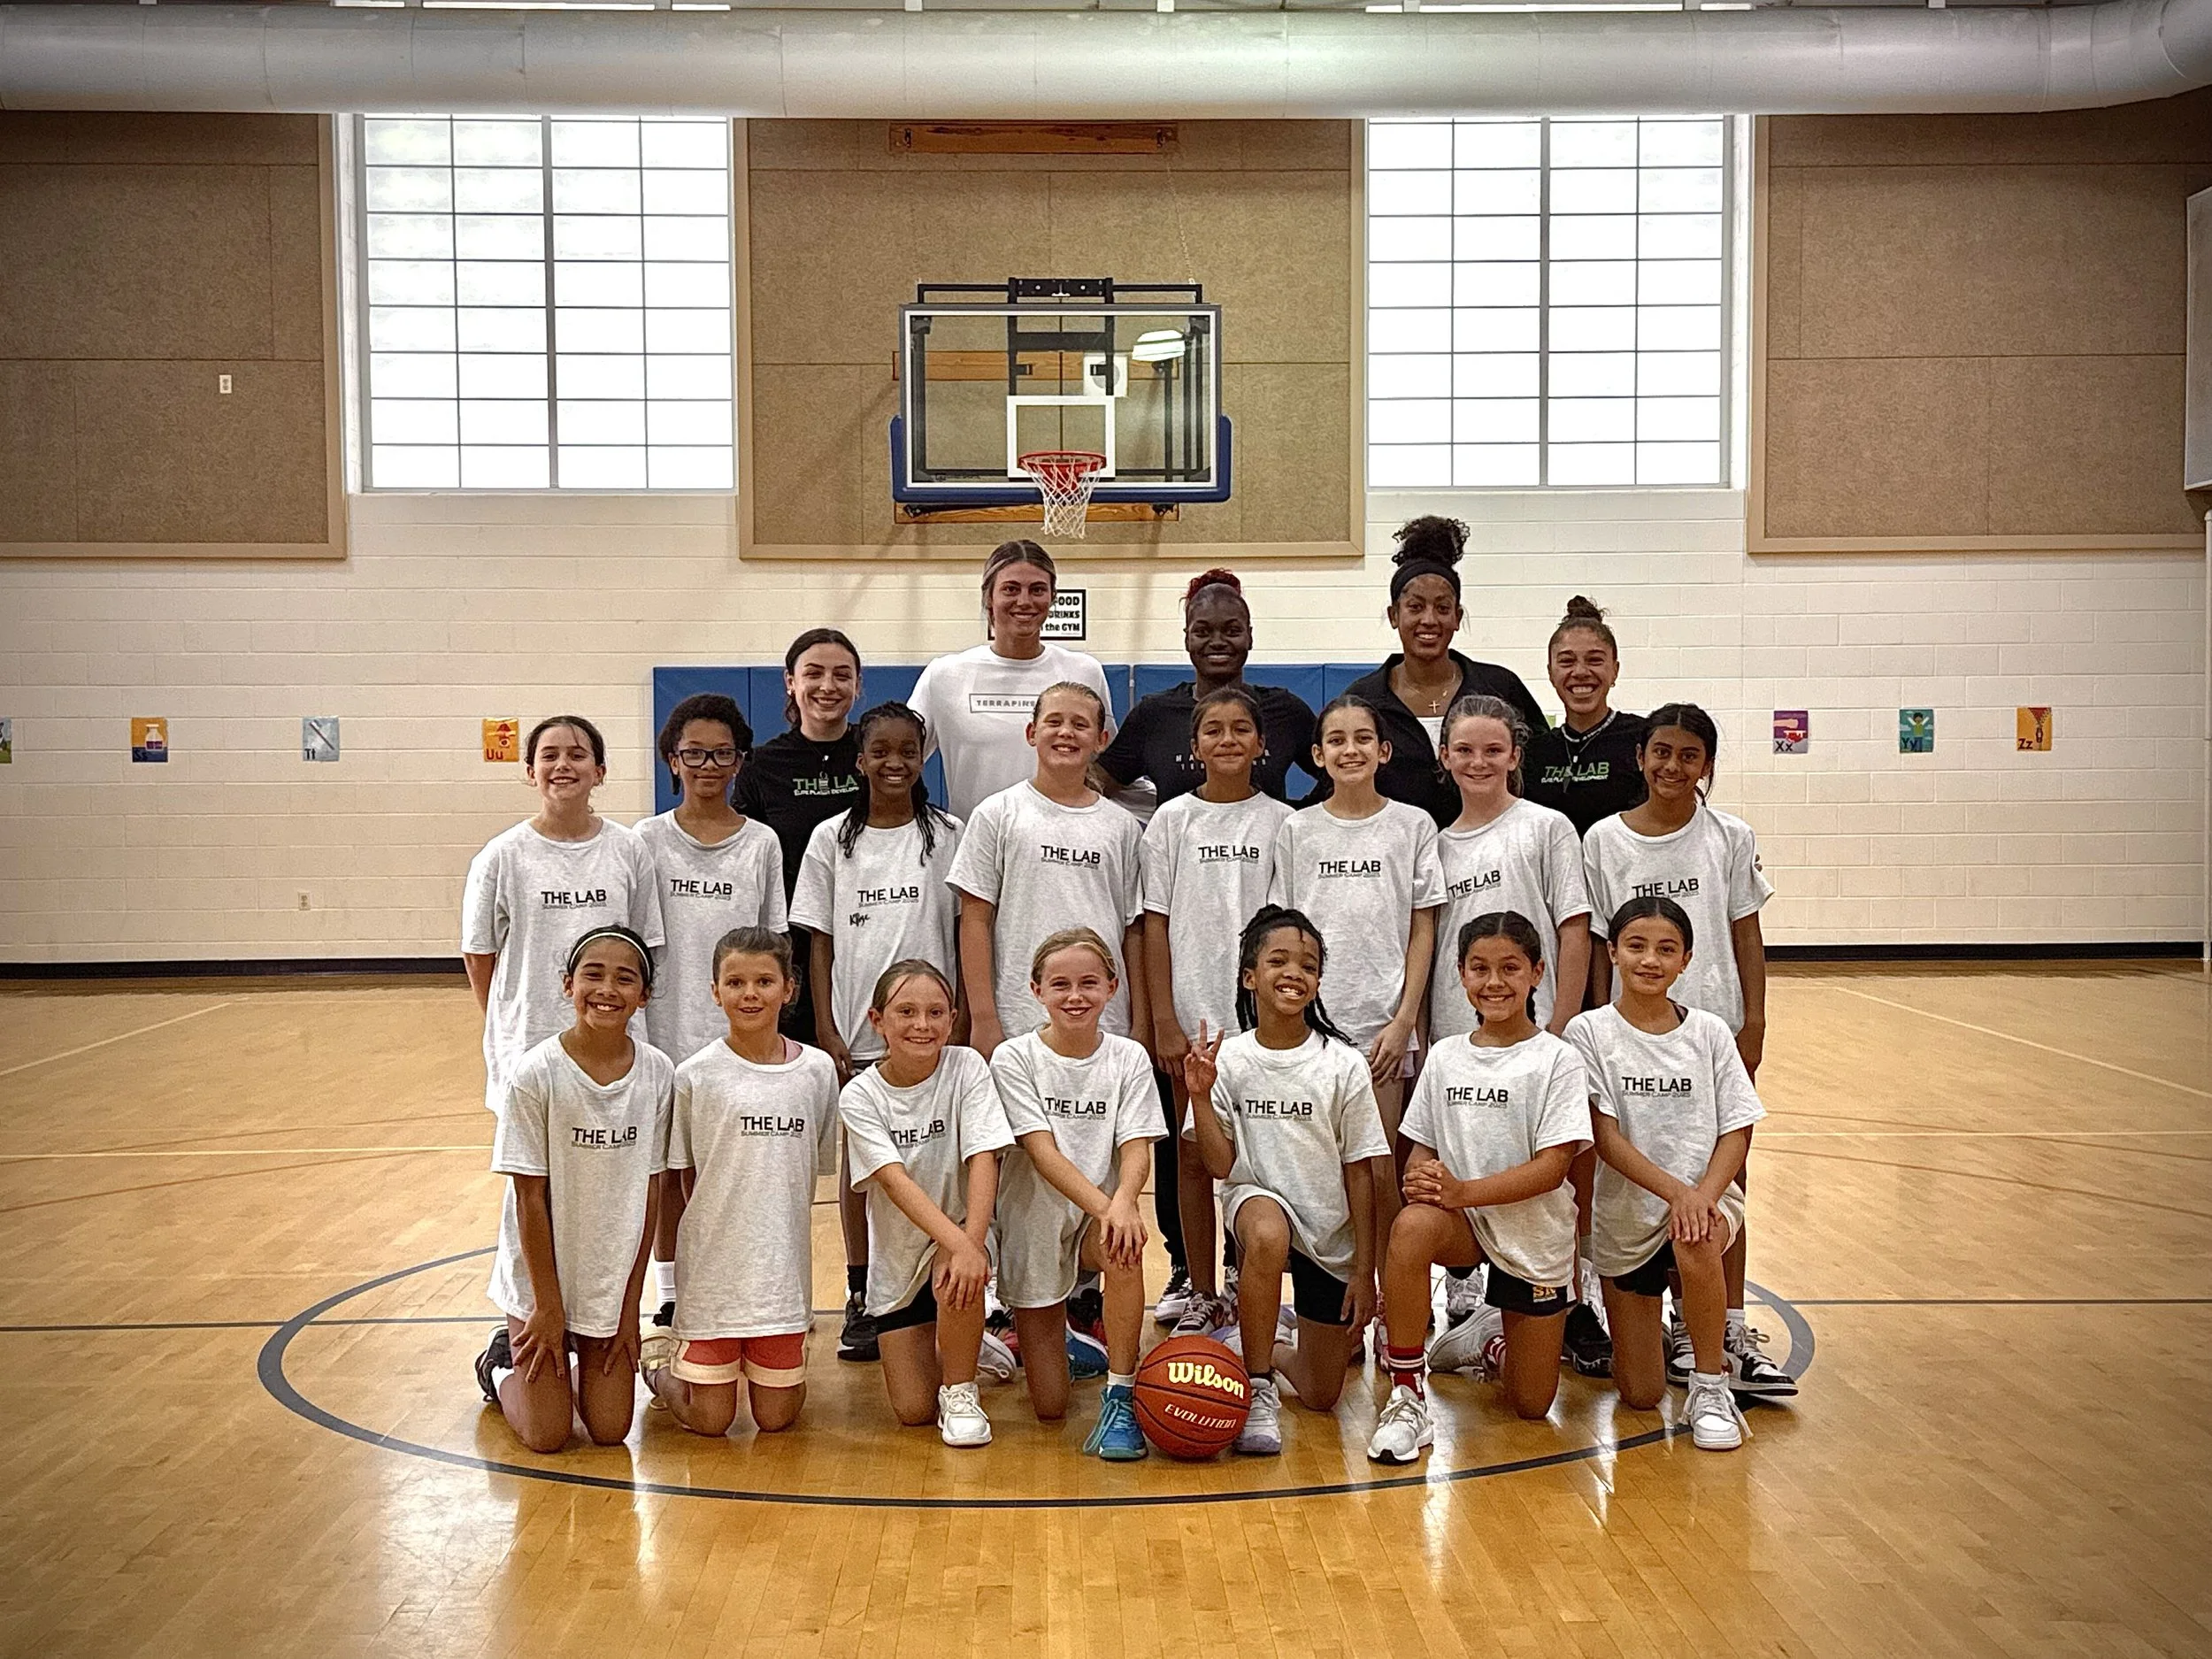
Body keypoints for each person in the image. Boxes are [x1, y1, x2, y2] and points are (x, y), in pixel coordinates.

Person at [1581, 704, 1793, 1399]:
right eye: (1662, 752)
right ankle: (1642, 1315)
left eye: (1689, 755)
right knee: (1631, 1175)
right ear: (1641, 756)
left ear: (1706, 765)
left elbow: (1747, 934)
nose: (1673, 766)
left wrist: (1753, 1020)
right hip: (1628, 1037)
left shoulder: (1728, 837)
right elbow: (1593, 944)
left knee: (1724, 1183)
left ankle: (1722, 1327)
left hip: (1711, 1031)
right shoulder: (1604, 841)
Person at [1367, 912, 1590, 1464]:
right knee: (1412, 1225)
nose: (1495, 982)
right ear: (1461, 976)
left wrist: (1463, 1190)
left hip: (1532, 1234)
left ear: (1538, 972)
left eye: (1511, 968)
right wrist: (1421, 1178)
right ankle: (1407, 1392)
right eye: (1480, 968)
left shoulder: (1557, 1060)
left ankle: (1489, 1341)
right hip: (1465, 1226)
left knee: (1531, 1405)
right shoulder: (1445, 1056)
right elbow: (1420, 1144)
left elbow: (1553, 1167)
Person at [787, 701, 964, 1366]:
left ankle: (947, 1277)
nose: (895, 762)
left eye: (908, 751)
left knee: (936, 1158)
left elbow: (961, 928)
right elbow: (820, 942)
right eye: (880, 751)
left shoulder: (949, 834)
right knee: (863, 1173)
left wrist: (964, 1010)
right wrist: (829, 1026)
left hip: (931, 1030)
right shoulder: (832, 839)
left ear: (924, 758)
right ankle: (862, 1291)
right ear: (859, 760)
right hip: (861, 1034)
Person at [1180, 907, 1388, 1456]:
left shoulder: (1342, 1063)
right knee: (1268, 1233)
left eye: (1309, 965)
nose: (1294, 972)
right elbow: (1221, 1167)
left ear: (1319, 981)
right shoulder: (1229, 1060)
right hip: (1258, 1203)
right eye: (1279, 960)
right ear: (1250, 975)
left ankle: (1265, 1341)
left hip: (1329, 1230)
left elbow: (1361, 1174)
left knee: (1322, 1394)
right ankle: (1257, 1386)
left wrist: (1366, 1272)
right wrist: (1200, 1095)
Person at [1425, 695, 1595, 1361]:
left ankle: (1562, 1299)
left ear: (1516, 756)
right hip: (1457, 1030)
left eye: (1493, 749)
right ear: (1445, 757)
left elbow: (1573, 926)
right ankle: (1474, 1302)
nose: (1478, 761)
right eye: (1464, 749)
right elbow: (1432, 942)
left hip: (1533, 1033)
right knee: (1469, 1160)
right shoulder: (1436, 844)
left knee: (1548, 1169)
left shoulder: (1547, 828)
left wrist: (1559, 1023)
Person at [1568, 896, 1763, 1452]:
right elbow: (1604, 1137)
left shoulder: (1708, 1032)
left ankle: (1710, 1384)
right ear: (1613, 952)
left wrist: (1701, 1196)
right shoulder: (1589, 1033)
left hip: (1704, 1201)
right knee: (1639, 1392)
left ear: (1687, 959)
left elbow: (1738, 1127)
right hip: (1628, 1212)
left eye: (1666, 949)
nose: (1650, 960)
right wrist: (1676, 1192)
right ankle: (1652, 1330)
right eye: (1636, 946)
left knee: (1697, 1234)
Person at [472, 926, 672, 1454]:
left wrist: (631, 1306)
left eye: (625, 978)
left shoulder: (657, 1074)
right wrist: (548, 1308)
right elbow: (528, 1198)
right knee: (548, 1435)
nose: (608, 988)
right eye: (593, 974)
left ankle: (567, 1372)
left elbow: (651, 1195)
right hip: (541, 1279)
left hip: (607, 1278)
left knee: (609, 1432)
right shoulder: (535, 1074)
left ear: (643, 996)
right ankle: (499, 1368)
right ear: (567, 985)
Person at [640, 927, 838, 1438]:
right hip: (713, 1279)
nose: (750, 994)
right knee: (711, 1420)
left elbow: (813, 1171)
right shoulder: (694, 1076)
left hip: (781, 1279)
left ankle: (773, 1354)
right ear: (715, 990)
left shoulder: (816, 1072)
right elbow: (683, 1182)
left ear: (789, 988)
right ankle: (659, 1363)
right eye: (735, 982)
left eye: (764, 981)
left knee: (776, 1420)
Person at [1140, 686, 1292, 1337]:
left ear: (1261, 745)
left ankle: (1249, 1281)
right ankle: (1200, 1284)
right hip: (1193, 1018)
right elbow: (1154, 924)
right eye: (1213, 730)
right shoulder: (1171, 821)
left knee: (1258, 1156)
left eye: (1240, 730)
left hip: (1259, 1024)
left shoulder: (1285, 822)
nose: (1227, 740)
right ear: (1193, 745)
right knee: (1193, 1155)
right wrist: (1166, 1019)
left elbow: (1289, 930)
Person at [733, 629, 868, 1346]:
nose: (827, 685)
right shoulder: (762, 770)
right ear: (789, 682)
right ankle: (767, 1289)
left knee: (862, 1148)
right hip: (790, 978)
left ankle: (863, 1288)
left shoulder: (876, 755)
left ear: (858, 685)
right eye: (813, 673)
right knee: (781, 1143)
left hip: (863, 973)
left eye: (841, 674)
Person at [635, 694, 787, 1327]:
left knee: (736, 1169)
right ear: (673, 760)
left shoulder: (762, 843)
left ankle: (740, 1283)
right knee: (673, 1172)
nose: (707, 763)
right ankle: (672, 1291)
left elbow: (773, 939)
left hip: (742, 1033)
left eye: (721, 752)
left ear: (739, 761)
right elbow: (639, 948)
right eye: (693, 752)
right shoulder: (645, 841)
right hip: (669, 1030)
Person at [1268, 695, 1445, 1238]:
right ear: (1318, 756)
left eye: (1363, 738)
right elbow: (1288, 932)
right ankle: (1333, 1296)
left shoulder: (1413, 826)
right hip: (1314, 1027)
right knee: (1320, 1167)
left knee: (1383, 1166)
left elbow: (1423, 929)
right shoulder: (1298, 830)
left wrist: (1403, 1020)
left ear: (1385, 751)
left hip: (1381, 1029)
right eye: (1337, 740)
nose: (1351, 750)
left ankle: (1391, 1300)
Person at [988, 928, 1161, 1459]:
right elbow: (1042, 1154)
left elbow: (1136, 1146)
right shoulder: (1014, 1059)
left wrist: (1124, 1205)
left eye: (1089, 983)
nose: (1075, 995)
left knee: (1125, 1247)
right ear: (1036, 991)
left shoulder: (1128, 1057)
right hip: (1034, 1221)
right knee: (1049, 1408)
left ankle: (1121, 1394)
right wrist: (1111, 1206)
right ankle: (1068, 1342)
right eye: (1059, 984)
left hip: (1097, 1220)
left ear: (1112, 987)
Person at [838, 960, 1016, 1448]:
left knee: (955, 1271)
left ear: (953, 1017)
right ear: (877, 1021)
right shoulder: (860, 1095)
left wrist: (969, 1243)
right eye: (907, 1012)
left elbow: (984, 1157)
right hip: (899, 1260)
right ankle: (976, 1347)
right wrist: (960, 1243)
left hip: (964, 1237)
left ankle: (961, 1390)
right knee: (913, 1410)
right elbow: (894, 1183)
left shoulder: (966, 1067)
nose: (922, 1024)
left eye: (936, 1012)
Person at [462, 715, 664, 1115]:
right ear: (530, 771)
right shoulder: (502, 856)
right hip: (529, 1036)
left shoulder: (629, 849)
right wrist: (506, 1020)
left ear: (599, 772)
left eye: (577, 755)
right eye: (549, 756)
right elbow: (477, 953)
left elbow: (643, 946)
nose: (562, 766)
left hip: (614, 1033)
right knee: (534, 1170)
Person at [947, 682, 1147, 1057]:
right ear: (1031, 732)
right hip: (1018, 1018)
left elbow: (1132, 929)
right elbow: (974, 920)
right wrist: (984, 1018)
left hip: (1105, 1019)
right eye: (1054, 721)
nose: (1066, 732)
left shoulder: (1121, 826)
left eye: (1080, 724)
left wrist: (1139, 1021)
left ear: (1101, 739)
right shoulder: (997, 814)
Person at [1335, 518, 1548, 826]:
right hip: (1397, 858)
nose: (1429, 620)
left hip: (1492, 858)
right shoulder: (1364, 699)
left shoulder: (1499, 687)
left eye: (1443, 608)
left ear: (1458, 616)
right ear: (1394, 615)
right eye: (1415, 607)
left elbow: (1541, 769)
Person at [909, 541, 1116, 823]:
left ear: (1052, 597)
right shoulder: (944, 675)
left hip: (1063, 846)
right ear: (988, 597)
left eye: (1037, 590)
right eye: (1011, 589)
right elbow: (900, 758)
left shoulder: (1084, 671)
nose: (1024, 601)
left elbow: (1109, 767)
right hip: (974, 850)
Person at [1098, 567, 1317, 807]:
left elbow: (1337, 772)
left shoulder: (1285, 711)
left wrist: (1298, 817)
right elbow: (1098, 783)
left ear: (1249, 636)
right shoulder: (1153, 716)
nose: (1218, 642)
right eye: (1202, 632)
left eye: (1232, 631)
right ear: (1187, 639)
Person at [1524, 597, 1647, 837]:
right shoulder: (1533, 753)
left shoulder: (1644, 738)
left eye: (1595, 660)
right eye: (1567, 661)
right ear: (1551, 673)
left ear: (1615, 670)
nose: (1580, 672)